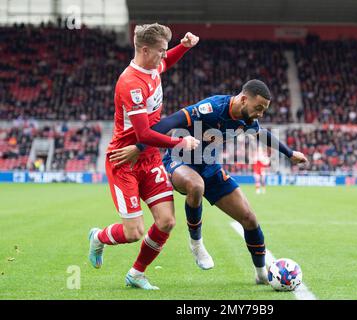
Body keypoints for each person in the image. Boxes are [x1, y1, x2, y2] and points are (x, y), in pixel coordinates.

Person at [109, 79, 308, 284]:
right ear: (243, 99)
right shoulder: (211, 108)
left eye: (264, 110)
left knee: (249, 218)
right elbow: (170, 122)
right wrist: (139, 147)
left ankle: (261, 274)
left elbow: (261, 133)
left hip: (210, 167)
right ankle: (196, 244)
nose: (260, 114)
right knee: (196, 185)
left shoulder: (247, 120)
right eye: (258, 108)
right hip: (179, 161)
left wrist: (289, 153)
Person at [88, 23, 200, 290]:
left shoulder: (152, 67)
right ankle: (98, 237)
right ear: (145, 49)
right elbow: (144, 134)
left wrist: (182, 47)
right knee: (133, 233)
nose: (164, 54)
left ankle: (137, 274)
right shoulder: (131, 83)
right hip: (124, 161)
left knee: (167, 221)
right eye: (161, 50)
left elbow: (166, 62)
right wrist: (179, 141)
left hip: (149, 161)